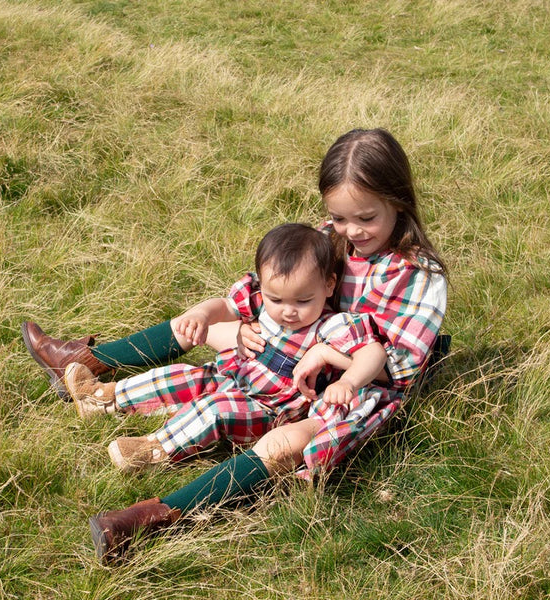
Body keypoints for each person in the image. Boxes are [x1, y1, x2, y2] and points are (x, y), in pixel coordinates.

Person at [79, 127, 449, 564]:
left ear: (398, 201)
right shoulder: (331, 237)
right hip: (287, 355)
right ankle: (87, 363)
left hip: (354, 388)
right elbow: (273, 287)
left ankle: (149, 520)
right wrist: (242, 328)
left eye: (366, 218)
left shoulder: (418, 274)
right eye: (339, 216)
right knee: (203, 325)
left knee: (284, 444)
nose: (351, 230)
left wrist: (328, 356)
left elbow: (397, 370)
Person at [62, 223, 387, 473]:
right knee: (181, 377)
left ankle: (156, 449)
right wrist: (201, 314)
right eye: (277, 299)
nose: (288, 310)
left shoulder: (331, 325)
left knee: (217, 410)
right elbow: (226, 305)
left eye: (303, 300)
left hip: (268, 408)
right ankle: (104, 399)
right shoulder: (261, 299)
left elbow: (373, 353)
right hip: (231, 372)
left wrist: (347, 381)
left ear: (328, 285)